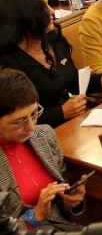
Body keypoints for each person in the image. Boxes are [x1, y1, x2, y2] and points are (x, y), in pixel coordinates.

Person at [0, 0, 102, 127]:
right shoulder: (8, 61)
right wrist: (61, 113)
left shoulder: (54, 39)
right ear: (25, 16)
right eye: (43, 7)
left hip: (76, 122)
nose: (52, 11)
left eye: (49, 4)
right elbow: (15, 121)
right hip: (40, 133)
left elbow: (72, 81)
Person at [0, 68, 88, 229]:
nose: (31, 126)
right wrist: (34, 217)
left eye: (35, 113)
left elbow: (59, 206)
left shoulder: (45, 135)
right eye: (19, 122)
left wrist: (70, 201)